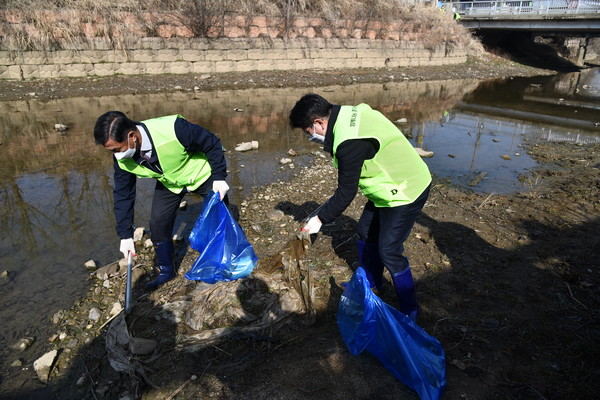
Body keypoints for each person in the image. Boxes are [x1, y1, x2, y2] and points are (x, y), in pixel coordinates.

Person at [289, 94, 431, 322]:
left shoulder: (349, 142)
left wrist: (319, 219)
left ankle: (410, 309)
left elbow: (346, 193)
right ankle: (373, 282)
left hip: (405, 189)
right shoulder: (346, 112)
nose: (310, 137)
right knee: (365, 231)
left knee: (389, 250)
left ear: (318, 123)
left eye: (308, 132)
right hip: (386, 185)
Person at [94, 112, 229, 288]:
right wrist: (125, 234)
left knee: (220, 214)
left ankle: (225, 256)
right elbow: (123, 194)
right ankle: (166, 271)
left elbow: (211, 143)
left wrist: (219, 176)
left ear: (132, 137)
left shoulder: (174, 129)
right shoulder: (122, 159)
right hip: (171, 183)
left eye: (116, 149)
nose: (116, 155)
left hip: (201, 174)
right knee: (157, 223)